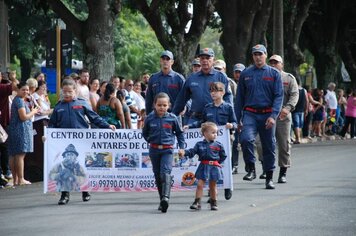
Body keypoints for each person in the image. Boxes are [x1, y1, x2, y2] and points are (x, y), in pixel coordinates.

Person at [173, 47, 233, 199]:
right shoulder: (192, 79)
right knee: (199, 152)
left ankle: (226, 184)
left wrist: (230, 122)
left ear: (213, 60)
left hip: (217, 119)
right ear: (199, 60)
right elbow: (181, 100)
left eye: (208, 58)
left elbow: (229, 99)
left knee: (220, 153)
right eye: (202, 58)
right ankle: (195, 184)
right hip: (196, 119)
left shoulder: (221, 77)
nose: (205, 60)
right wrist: (172, 117)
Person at [48, 78, 116, 205]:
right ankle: (64, 195)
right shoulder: (58, 107)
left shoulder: (82, 103)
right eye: (65, 92)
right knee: (65, 167)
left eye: (70, 91)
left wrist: (107, 126)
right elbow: (52, 125)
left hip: (82, 140)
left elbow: (94, 118)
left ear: (75, 91)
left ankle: (85, 191)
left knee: (82, 166)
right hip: (64, 142)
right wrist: (47, 136)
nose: (67, 94)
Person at [234, 44, 283, 189]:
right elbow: (239, 99)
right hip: (250, 114)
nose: (257, 57)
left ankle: (269, 177)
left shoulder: (274, 74)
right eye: (255, 54)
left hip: (268, 114)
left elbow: (279, 96)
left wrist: (273, 115)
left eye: (260, 54)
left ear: (265, 55)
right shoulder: (246, 73)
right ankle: (251, 168)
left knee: (269, 146)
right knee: (245, 139)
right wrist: (237, 119)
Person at [142, 92, 185, 213]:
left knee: (165, 173)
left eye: (164, 105)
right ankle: (162, 200)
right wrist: (150, 140)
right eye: (159, 105)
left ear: (168, 106)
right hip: (154, 150)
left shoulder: (173, 118)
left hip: (168, 150)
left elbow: (180, 134)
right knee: (157, 175)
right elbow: (145, 133)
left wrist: (181, 147)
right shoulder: (149, 118)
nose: (162, 107)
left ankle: (166, 198)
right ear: (154, 105)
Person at [266, 54, 299, 184]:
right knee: (262, 144)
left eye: (276, 62)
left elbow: (294, 95)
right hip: (267, 114)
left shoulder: (289, 78)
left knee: (284, 144)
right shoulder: (265, 77)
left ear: (282, 64)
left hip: (283, 115)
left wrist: (288, 108)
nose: (273, 65)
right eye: (271, 62)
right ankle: (267, 168)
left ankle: (283, 172)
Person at [183, 122, 227, 211]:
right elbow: (192, 152)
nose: (215, 135)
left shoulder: (219, 145)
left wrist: (217, 163)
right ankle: (197, 202)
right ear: (205, 133)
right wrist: (184, 152)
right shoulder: (199, 144)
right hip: (203, 166)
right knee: (199, 184)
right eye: (213, 132)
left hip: (214, 167)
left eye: (216, 133)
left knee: (212, 186)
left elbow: (223, 156)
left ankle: (213, 202)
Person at [8, 81, 40, 185]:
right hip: (20, 130)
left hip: (15, 129)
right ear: (18, 90)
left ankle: (16, 179)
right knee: (20, 155)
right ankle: (20, 179)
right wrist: (34, 112)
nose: (26, 91)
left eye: (27, 89)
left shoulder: (17, 100)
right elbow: (23, 117)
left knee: (14, 154)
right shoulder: (20, 101)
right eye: (23, 90)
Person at [145, 50, 185, 114]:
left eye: (167, 59)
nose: (165, 61)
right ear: (160, 61)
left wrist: (184, 108)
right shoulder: (153, 78)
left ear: (172, 62)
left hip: (174, 115)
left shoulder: (179, 79)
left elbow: (186, 97)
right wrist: (148, 115)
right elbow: (149, 99)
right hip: (156, 116)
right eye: (163, 59)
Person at [0, 73, 18, 187]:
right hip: (2, 123)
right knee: (4, 147)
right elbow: (16, 86)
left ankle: (4, 173)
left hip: (3, 122)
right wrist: (13, 78)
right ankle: (5, 172)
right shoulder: (1, 87)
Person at [231, 63, 245, 174]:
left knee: (246, 141)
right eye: (236, 72)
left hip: (247, 116)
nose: (238, 74)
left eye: (240, 72)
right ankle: (234, 165)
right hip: (234, 116)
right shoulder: (230, 84)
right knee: (234, 142)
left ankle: (250, 165)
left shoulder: (248, 84)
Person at [292, 77, 309, 144]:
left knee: (296, 124)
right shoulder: (304, 90)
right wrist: (306, 109)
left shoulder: (294, 89)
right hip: (302, 110)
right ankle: (299, 137)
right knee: (300, 124)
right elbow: (307, 101)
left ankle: (298, 138)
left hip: (295, 109)